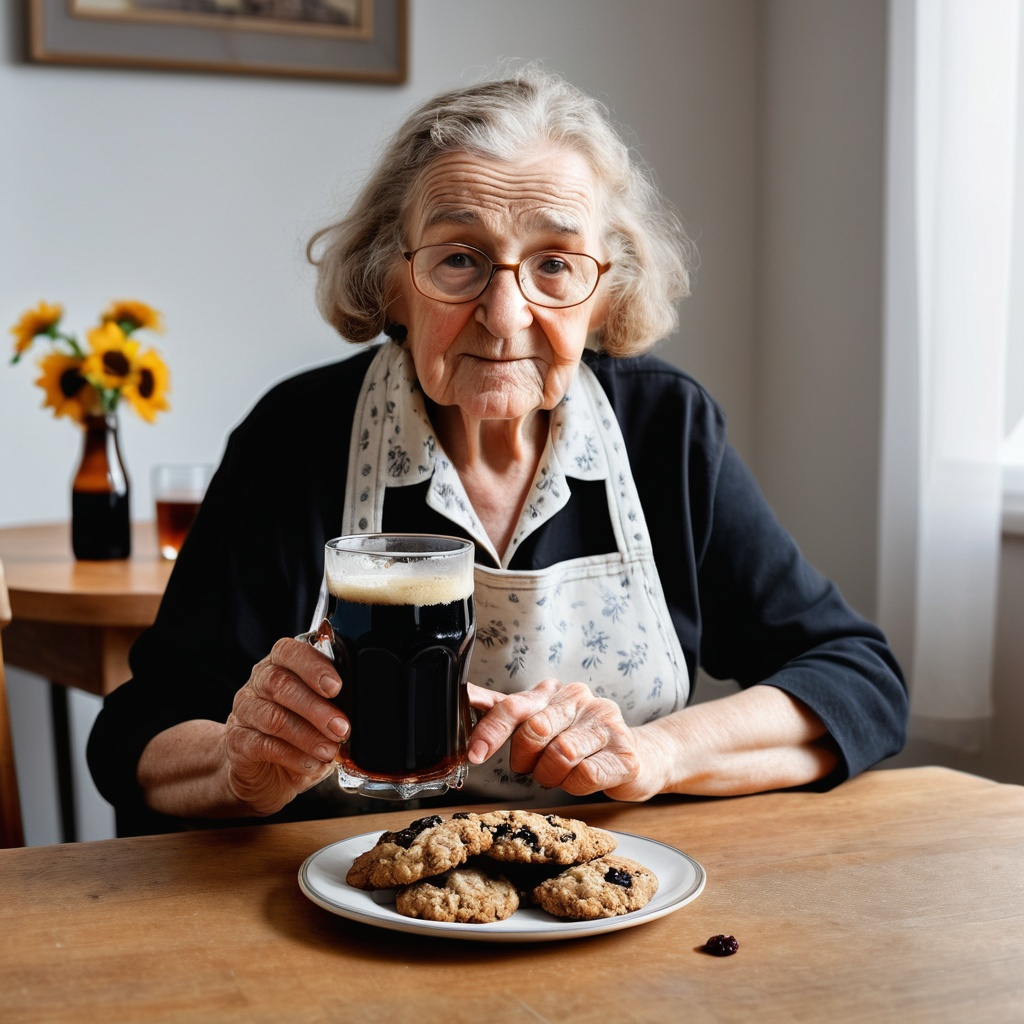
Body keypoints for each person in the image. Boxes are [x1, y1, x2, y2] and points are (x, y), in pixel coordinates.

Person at [87, 68, 908, 837]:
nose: (506, 313)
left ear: (605, 290)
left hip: (606, 910)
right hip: (343, 912)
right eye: (459, 261)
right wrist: (241, 764)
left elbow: (855, 680)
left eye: (555, 264)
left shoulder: (667, 429)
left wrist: (657, 754)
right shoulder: (297, 435)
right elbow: (138, 734)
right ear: (391, 282)